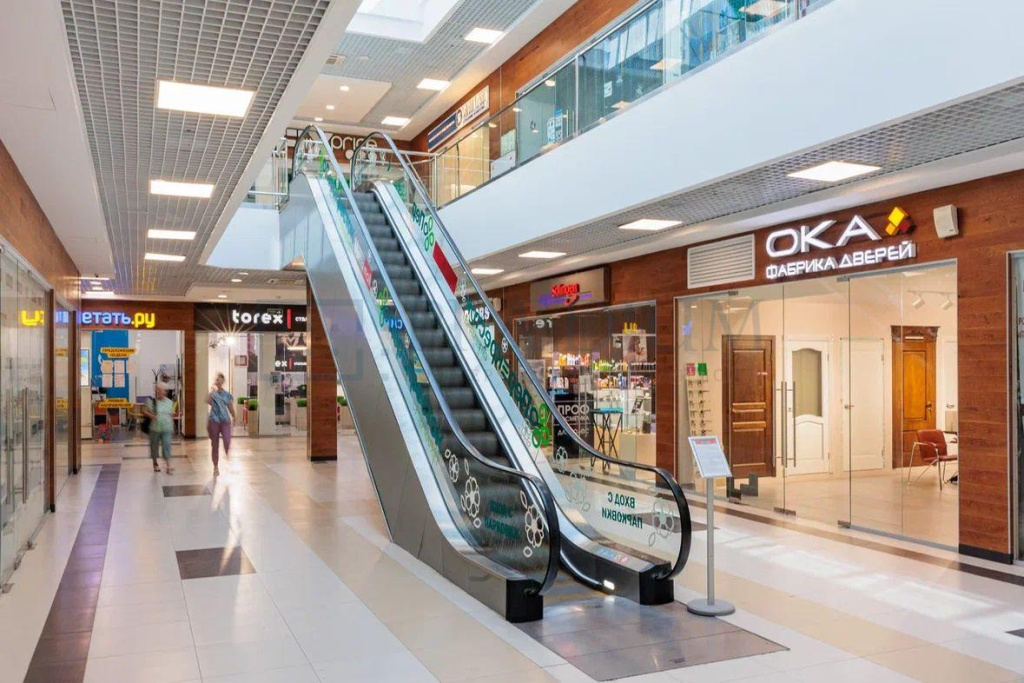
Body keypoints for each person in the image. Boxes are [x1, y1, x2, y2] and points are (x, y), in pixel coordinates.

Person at [206, 373, 235, 476]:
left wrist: (234, 415)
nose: (219, 382)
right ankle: (215, 466)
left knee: (227, 440)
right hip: (214, 420)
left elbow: (230, 406)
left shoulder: (226, 394)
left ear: (223, 382)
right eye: (218, 380)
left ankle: (226, 452)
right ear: (216, 381)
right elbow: (207, 401)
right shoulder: (212, 393)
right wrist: (212, 391)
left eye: (221, 380)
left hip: (225, 420)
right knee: (215, 444)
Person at [143, 384, 174, 473]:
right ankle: (155, 464)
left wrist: (172, 425)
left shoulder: (169, 402)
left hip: (167, 428)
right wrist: (150, 415)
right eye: (157, 390)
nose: (157, 392)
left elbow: (170, 414)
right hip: (154, 428)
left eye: (160, 390)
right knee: (154, 447)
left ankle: (168, 465)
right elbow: (144, 410)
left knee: (166, 445)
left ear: (164, 391)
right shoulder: (151, 402)